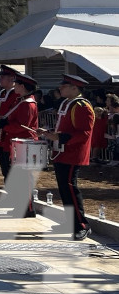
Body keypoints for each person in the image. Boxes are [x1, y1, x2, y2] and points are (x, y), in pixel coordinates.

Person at [40, 74, 94, 240]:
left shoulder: (82, 106)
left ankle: (82, 225)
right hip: (61, 152)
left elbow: (84, 133)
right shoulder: (67, 103)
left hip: (72, 153)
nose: (60, 88)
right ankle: (71, 222)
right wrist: (50, 133)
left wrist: (60, 137)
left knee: (70, 188)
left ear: (75, 88)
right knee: (64, 189)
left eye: (64, 85)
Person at [2, 72, 40, 217]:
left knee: (25, 177)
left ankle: (28, 208)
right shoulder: (20, 100)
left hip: (25, 143)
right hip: (18, 143)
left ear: (22, 86)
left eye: (17, 84)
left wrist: (5, 126)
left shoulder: (27, 103)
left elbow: (22, 126)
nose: (15, 86)